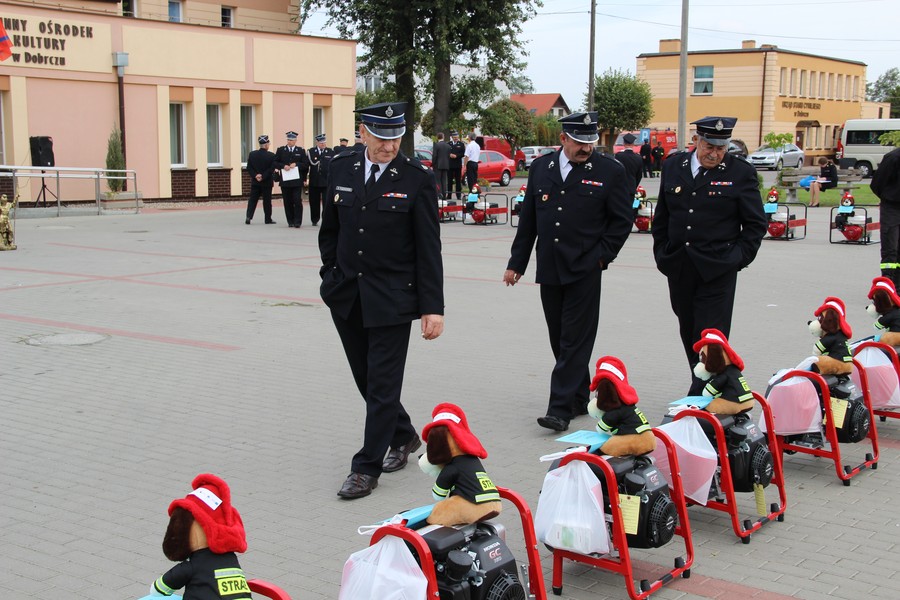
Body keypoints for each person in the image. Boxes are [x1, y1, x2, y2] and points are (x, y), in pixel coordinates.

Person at [319, 101, 444, 499]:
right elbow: (330, 230)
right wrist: (329, 277)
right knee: (366, 379)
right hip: (348, 296)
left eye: (396, 137)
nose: (390, 146)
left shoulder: (417, 179)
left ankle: (366, 467)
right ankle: (405, 435)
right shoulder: (340, 168)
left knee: (383, 383)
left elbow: (429, 249)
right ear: (363, 133)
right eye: (382, 137)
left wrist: (432, 307)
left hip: (392, 299)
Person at [504, 112, 633, 432]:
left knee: (575, 339)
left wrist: (602, 258)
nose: (586, 148)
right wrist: (516, 263)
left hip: (585, 268)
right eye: (579, 142)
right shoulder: (541, 168)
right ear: (564, 139)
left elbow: (620, 221)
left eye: (590, 142)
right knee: (560, 338)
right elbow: (529, 220)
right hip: (549, 266)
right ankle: (578, 398)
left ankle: (559, 409)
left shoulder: (610, 171)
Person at [652, 116, 767, 395]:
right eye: (709, 146)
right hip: (680, 266)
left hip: (718, 268)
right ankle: (712, 386)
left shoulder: (739, 172)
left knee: (711, 335)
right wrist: (662, 252)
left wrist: (738, 258)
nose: (714, 154)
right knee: (690, 332)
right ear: (696, 141)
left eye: (721, 148)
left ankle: (700, 397)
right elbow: (663, 215)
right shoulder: (673, 166)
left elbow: (755, 224)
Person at [871, 145, 900, 288]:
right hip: (892, 207)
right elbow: (876, 183)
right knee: (890, 246)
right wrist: (887, 198)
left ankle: (898, 284)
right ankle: (887, 283)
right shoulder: (893, 158)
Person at [274, 131, 309, 228]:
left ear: (295, 141)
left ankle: (298, 221)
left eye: (291, 140)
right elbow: (275, 162)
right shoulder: (281, 150)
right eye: (288, 140)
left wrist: (296, 164)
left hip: (296, 181)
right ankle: (290, 221)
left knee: (297, 201)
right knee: (287, 201)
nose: (289, 141)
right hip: (285, 181)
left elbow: (306, 165)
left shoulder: (300, 151)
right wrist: (283, 166)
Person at [244, 135, 277, 225]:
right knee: (267, 201)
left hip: (255, 182)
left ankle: (249, 216)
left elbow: (249, 168)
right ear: (266, 145)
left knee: (253, 200)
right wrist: (263, 176)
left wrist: (256, 176)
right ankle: (267, 218)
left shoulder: (252, 154)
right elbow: (271, 169)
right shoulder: (271, 156)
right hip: (266, 182)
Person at [307, 134, 335, 227]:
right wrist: (304, 179)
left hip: (326, 181)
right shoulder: (311, 151)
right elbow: (309, 165)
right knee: (314, 202)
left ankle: (325, 219)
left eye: (324, 142)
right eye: (321, 143)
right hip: (314, 181)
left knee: (327, 202)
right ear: (317, 142)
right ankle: (314, 219)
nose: (323, 144)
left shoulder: (330, 152)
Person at [432, 132, 452, 200]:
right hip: (446, 165)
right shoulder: (448, 146)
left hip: (438, 165)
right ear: (443, 137)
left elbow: (434, 156)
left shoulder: (436, 145)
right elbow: (448, 156)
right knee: (444, 180)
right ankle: (444, 195)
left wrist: (433, 164)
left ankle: (439, 194)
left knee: (438, 180)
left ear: (437, 137)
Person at [448, 131, 466, 200]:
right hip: (450, 165)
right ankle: (449, 195)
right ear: (452, 137)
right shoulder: (448, 144)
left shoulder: (461, 144)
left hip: (457, 165)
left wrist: (456, 156)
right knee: (449, 181)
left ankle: (458, 195)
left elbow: (463, 153)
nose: (456, 138)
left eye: (457, 137)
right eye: (454, 137)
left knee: (458, 181)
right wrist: (449, 155)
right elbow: (446, 152)